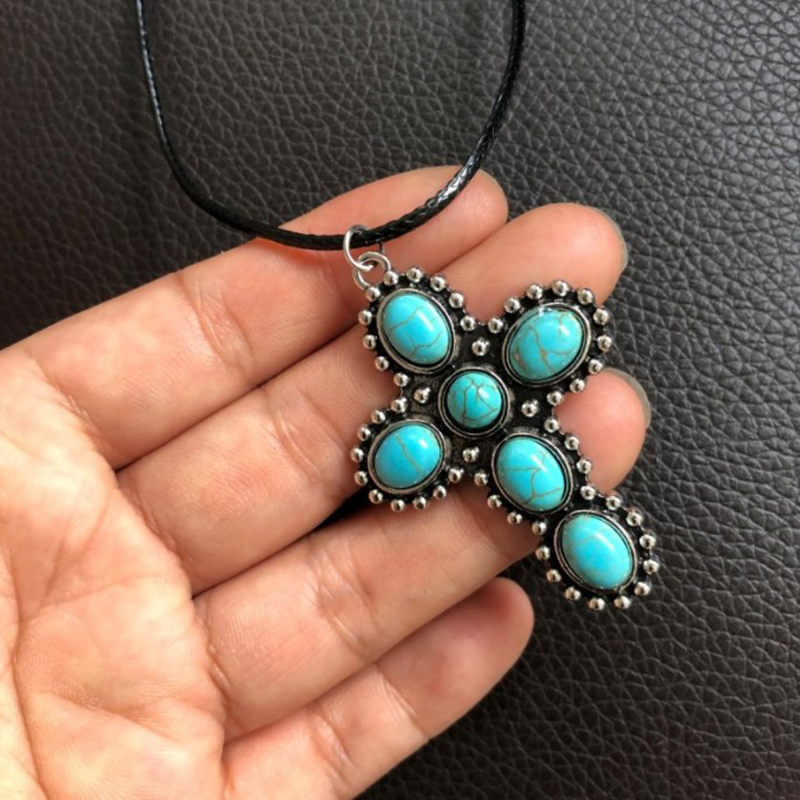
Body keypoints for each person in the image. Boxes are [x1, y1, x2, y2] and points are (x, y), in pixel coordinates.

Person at [0, 166, 648, 799]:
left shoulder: (446, 389)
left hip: (496, 451)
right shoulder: (436, 410)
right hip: (497, 452)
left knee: (564, 502)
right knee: (562, 508)